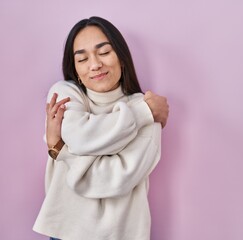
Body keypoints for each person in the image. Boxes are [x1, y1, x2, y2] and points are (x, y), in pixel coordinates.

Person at [33, 16, 169, 240]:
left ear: (122, 58)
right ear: (75, 68)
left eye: (104, 52)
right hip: (65, 232)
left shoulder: (142, 103)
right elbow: (81, 138)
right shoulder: (65, 94)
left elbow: (117, 179)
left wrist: (60, 150)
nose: (95, 64)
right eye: (82, 58)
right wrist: (143, 114)